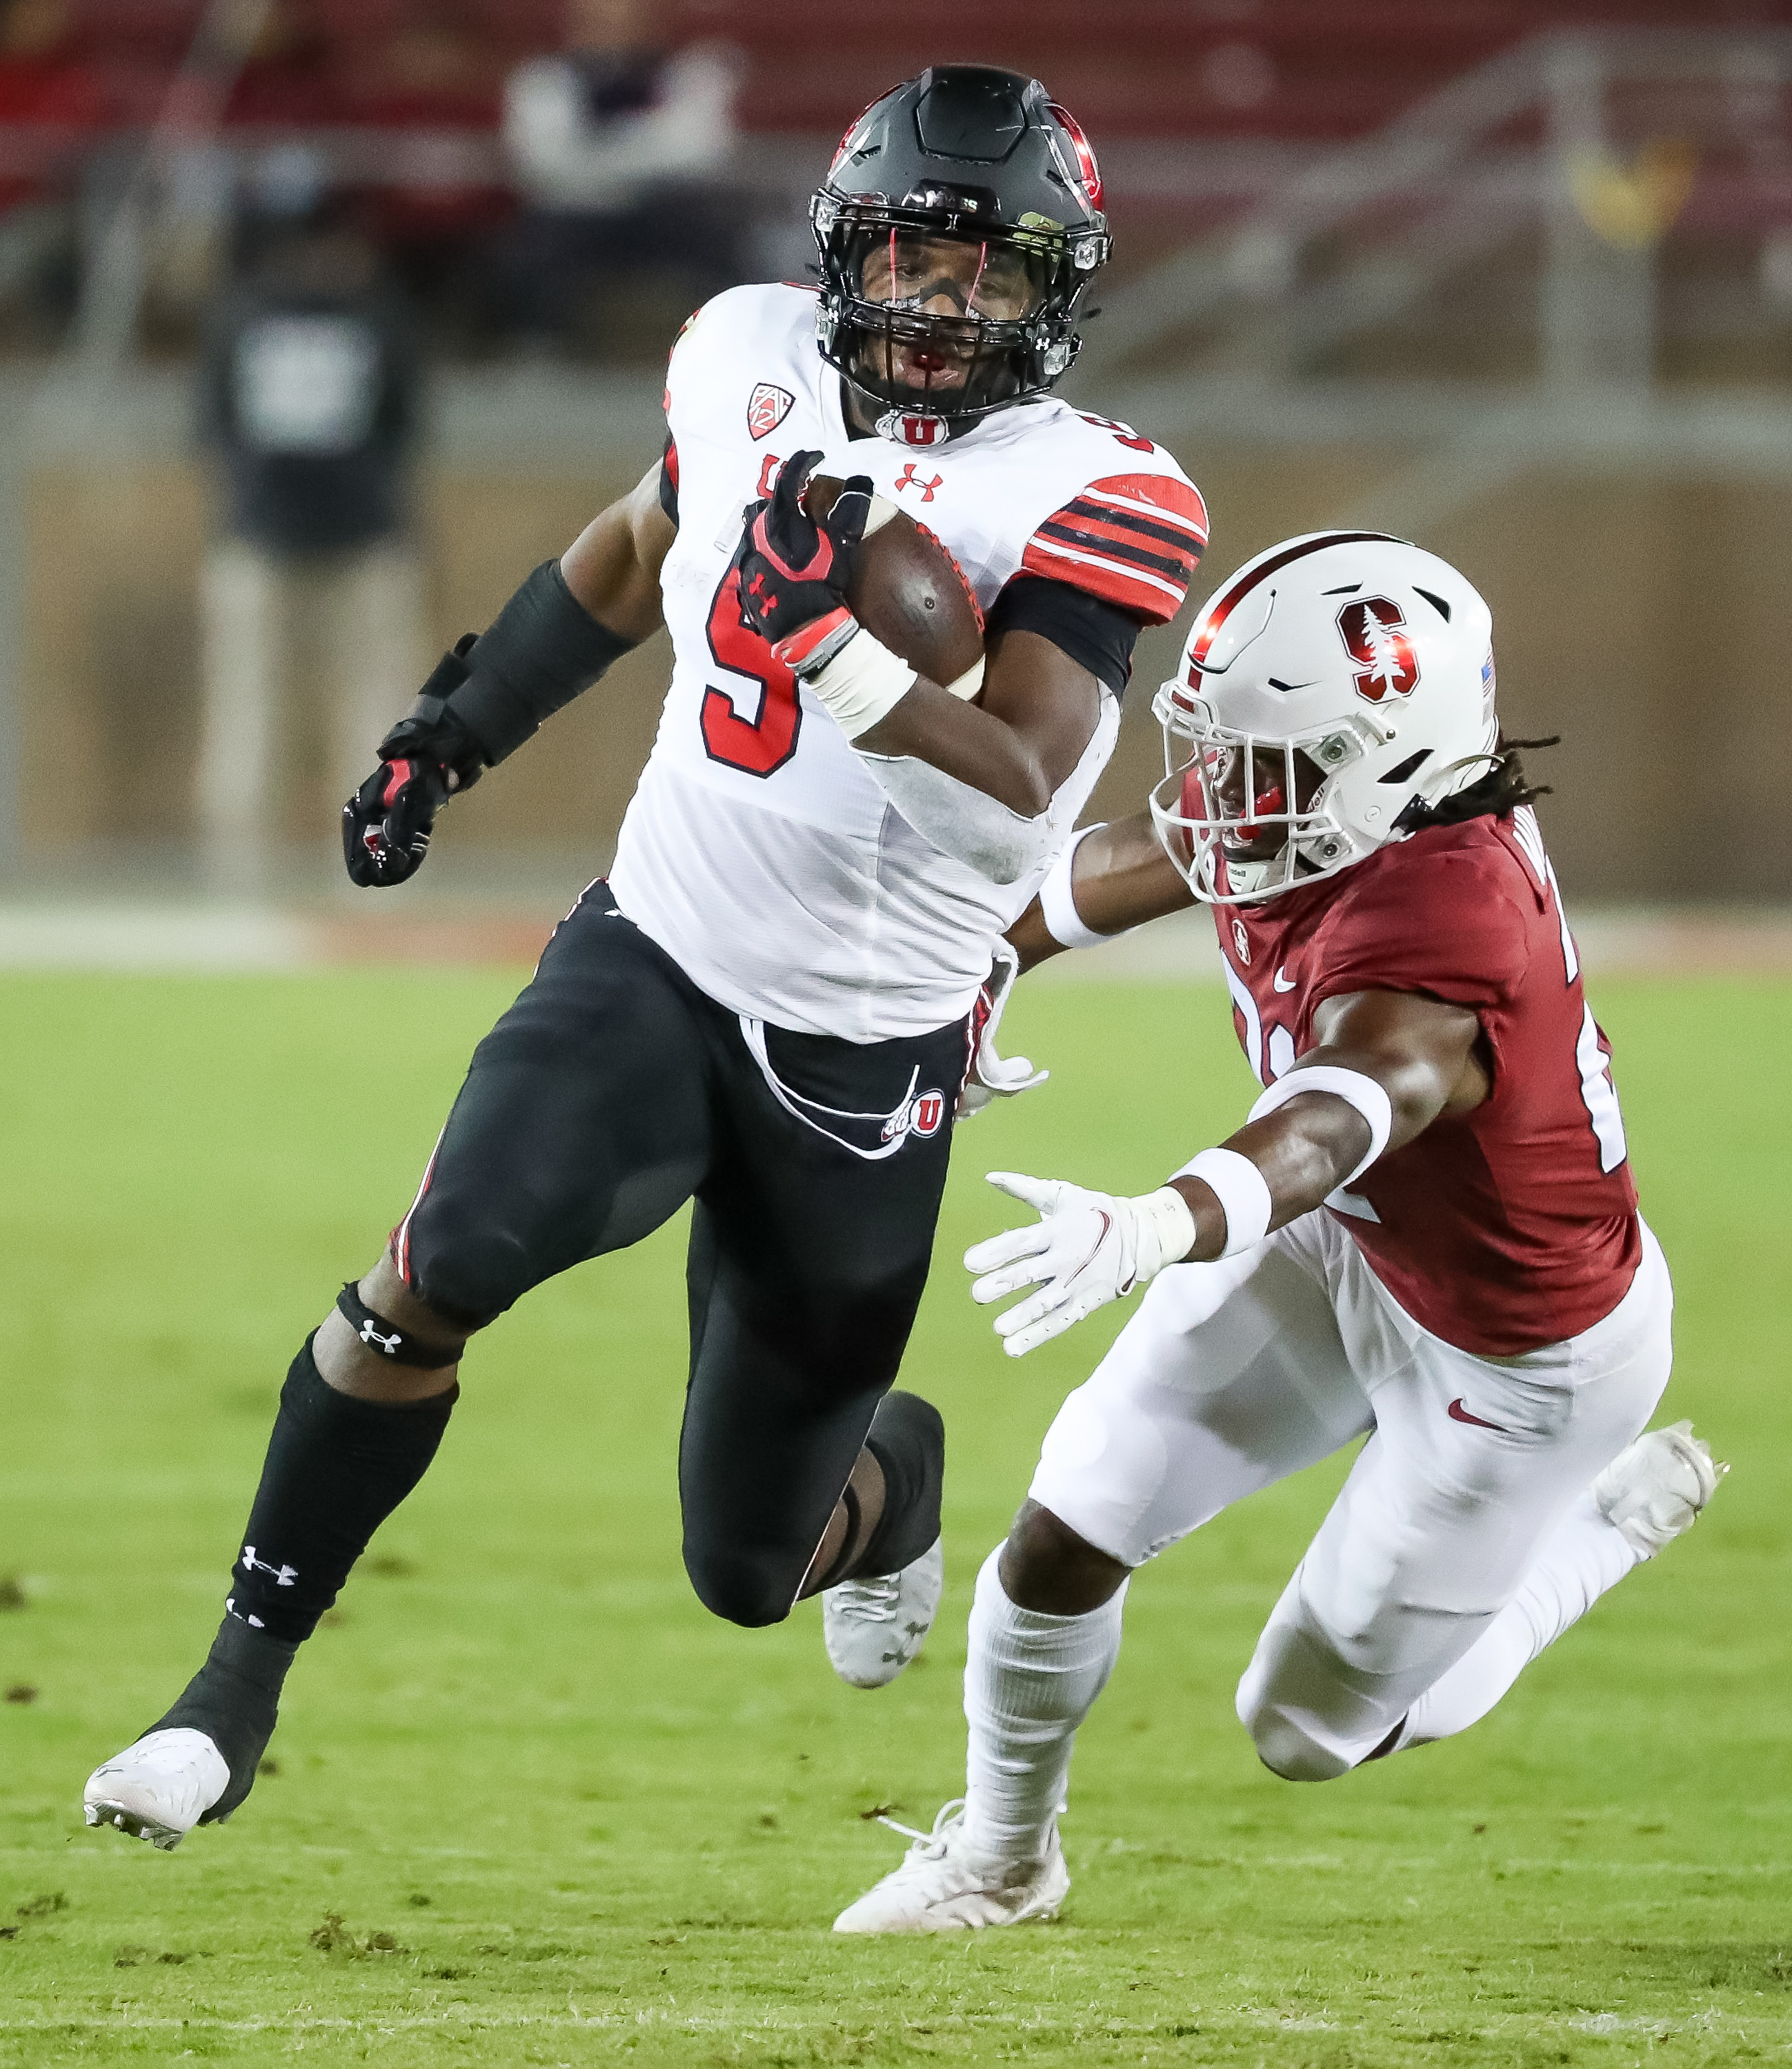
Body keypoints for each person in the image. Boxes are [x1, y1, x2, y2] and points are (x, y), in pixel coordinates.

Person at [82, 66, 1210, 1852]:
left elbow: (1015, 793)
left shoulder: (1094, 493)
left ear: (1053, 295)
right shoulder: (740, 353)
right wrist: (451, 730)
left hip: (863, 1048)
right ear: (847, 253)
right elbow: (629, 553)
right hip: (659, 950)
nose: (941, 305)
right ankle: (227, 1695)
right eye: (915, 258)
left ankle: (890, 1480)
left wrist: (836, 654)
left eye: (989, 274)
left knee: (742, 1568)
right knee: (438, 1261)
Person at [835, 529, 1723, 1934]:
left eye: (1264, 760)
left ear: (1381, 764)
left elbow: (1341, 1112)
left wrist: (1158, 1223)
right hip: (1358, 1244)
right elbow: (1141, 857)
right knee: (1066, 1532)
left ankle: (1594, 1541)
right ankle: (1005, 1864)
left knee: (1305, 1730)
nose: (1217, 791)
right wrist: (981, 957)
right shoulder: (1345, 804)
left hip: (1520, 1361)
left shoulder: (1449, 922)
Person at [195, 187, 426, 883]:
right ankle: (366, 868)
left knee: (262, 715)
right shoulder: (377, 313)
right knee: (348, 718)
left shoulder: (244, 314)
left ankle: (236, 877)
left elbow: (215, 428)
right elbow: (402, 427)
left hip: (283, 538)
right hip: (340, 538)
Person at [495, 0, 742, 351]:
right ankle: (538, 352)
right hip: (574, 215)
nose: (615, 34)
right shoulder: (543, 80)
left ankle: (725, 352)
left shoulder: (690, 75)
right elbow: (539, 161)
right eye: (602, 22)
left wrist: (594, 149)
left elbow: (701, 153)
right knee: (524, 257)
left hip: (662, 213)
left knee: (722, 249)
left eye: (627, 21)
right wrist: (647, 141)